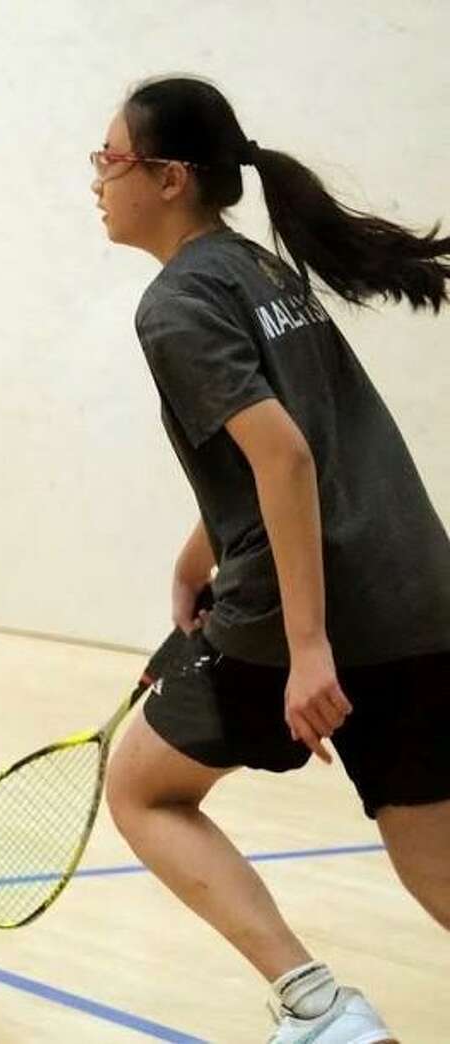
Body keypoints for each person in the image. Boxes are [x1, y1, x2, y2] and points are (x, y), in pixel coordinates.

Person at [91, 76, 450, 1044]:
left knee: (141, 788)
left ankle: (320, 1008)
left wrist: (308, 648)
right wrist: (196, 554)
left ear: (169, 178)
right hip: (417, 589)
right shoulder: (259, 270)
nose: (97, 182)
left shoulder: (177, 304)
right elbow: (292, 448)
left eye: (110, 160)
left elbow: (287, 457)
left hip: (317, 610)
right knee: (435, 857)